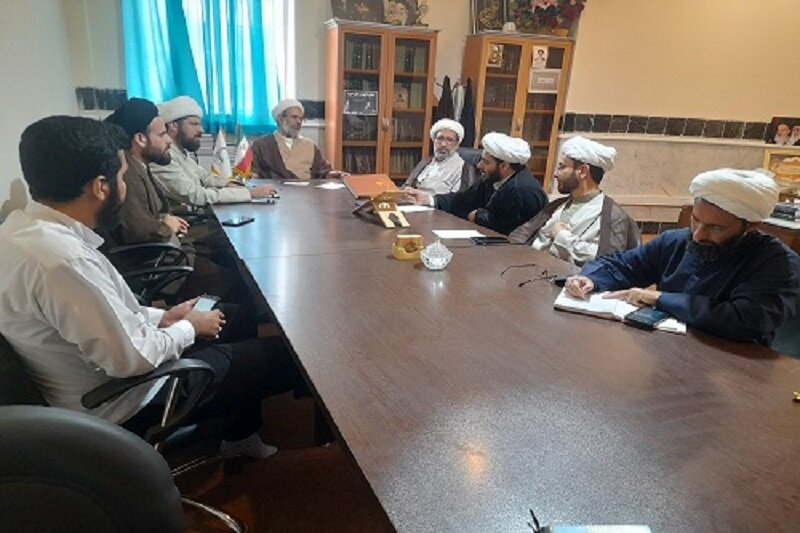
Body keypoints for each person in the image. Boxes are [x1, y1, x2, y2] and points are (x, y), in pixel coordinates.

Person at [0, 116, 301, 458]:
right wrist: (189, 327)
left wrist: (164, 316)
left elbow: (107, 311)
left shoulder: (20, 230)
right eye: (121, 177)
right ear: (100, 187)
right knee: (286, 357)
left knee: (234, 315)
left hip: (120, 361)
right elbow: (133, 360)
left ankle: (239, 436)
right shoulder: (63, 262)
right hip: (129, 398)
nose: (124, 187)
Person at [565, 168, 800, 345]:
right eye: (695, 220)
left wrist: (659, 298)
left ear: (751, 226)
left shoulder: (777, 263)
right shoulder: (676, 241)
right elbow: (624, 265)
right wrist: (591, 279)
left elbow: (745, 320)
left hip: (735, 368)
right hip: (669, 351)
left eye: (715, 228)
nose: (698, 234)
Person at [104, 98, 233, 300]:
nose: (169, 141)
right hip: (157, 263)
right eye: (162, 134)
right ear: (140, 139)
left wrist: (164, 218)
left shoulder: (139, 163)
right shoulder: (127, 173)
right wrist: (166, 225)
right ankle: (206, 317)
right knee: (232, 281)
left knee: (229, 258)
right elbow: (137, 230)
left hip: (170, 250)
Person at [509, 136, 639, 265]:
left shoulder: (613, 216)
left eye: (562, 167)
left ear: (582, 171)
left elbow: (609, 263)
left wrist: (562, 237)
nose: (556, 174)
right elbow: (521, 234)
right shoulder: (557, 205)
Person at [405, 132, 548, 235]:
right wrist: (429, 199)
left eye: (485, 162)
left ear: (504, 166)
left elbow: (512, 232)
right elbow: (463, 200)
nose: (479, 166)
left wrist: (479, 216)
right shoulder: (492, 179)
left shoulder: (524, 191)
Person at [150, 95, 276, 206]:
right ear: (173, 126)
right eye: (194, 124)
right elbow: (195, 195)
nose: (201, 130)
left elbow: (205, 178)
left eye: (200, 124)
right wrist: (249, 194)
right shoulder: (162, 157)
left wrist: (231, 184)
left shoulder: (180, 152)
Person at [251, 98, 347, 180]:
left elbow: (322, 171)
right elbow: (253, 172)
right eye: (294, 117)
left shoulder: (309, 145)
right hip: (276, 193)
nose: (299, 122)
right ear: (280, 119)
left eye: (301, 118)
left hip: (307, 192)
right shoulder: (262, 145)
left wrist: (331, 174)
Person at [404, 119, 478, 195]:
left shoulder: (464, 169)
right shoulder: (425, 162)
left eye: (449, 140)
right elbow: (407, 186)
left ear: (457, 144)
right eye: (440, 138)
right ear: (434, 141)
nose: (443, 144)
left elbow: (464, 198)